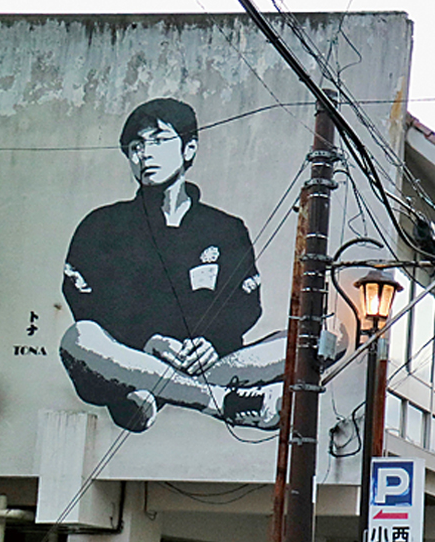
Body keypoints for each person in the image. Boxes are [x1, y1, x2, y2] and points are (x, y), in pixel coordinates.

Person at [59, 98, 285, 433]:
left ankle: (153, 397)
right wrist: (148, 341)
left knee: (307, 342)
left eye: (159, 141)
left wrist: (212, 342)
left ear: (188, 149)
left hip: (210, 362)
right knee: (79, 340)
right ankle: (223, 402)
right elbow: (86, 305)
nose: (145, 154)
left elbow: (246, 302)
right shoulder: (101, 226)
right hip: (130, 358)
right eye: (136, 146)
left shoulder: (225, 228)